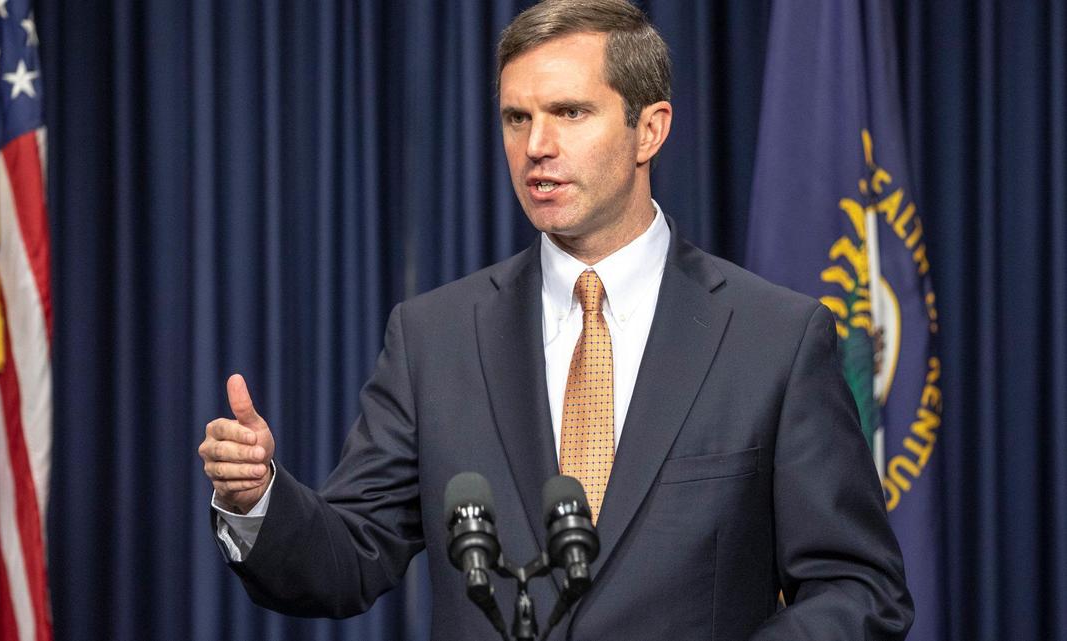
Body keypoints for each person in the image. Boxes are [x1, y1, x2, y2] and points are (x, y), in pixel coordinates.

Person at [198, 1, 913, 639]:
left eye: (569, 112)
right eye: (517, 117)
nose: (536, 144)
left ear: (649, 129)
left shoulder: (777, 340)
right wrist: (258, 497)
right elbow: (347, 559)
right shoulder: (434, 339)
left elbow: (861, 589)